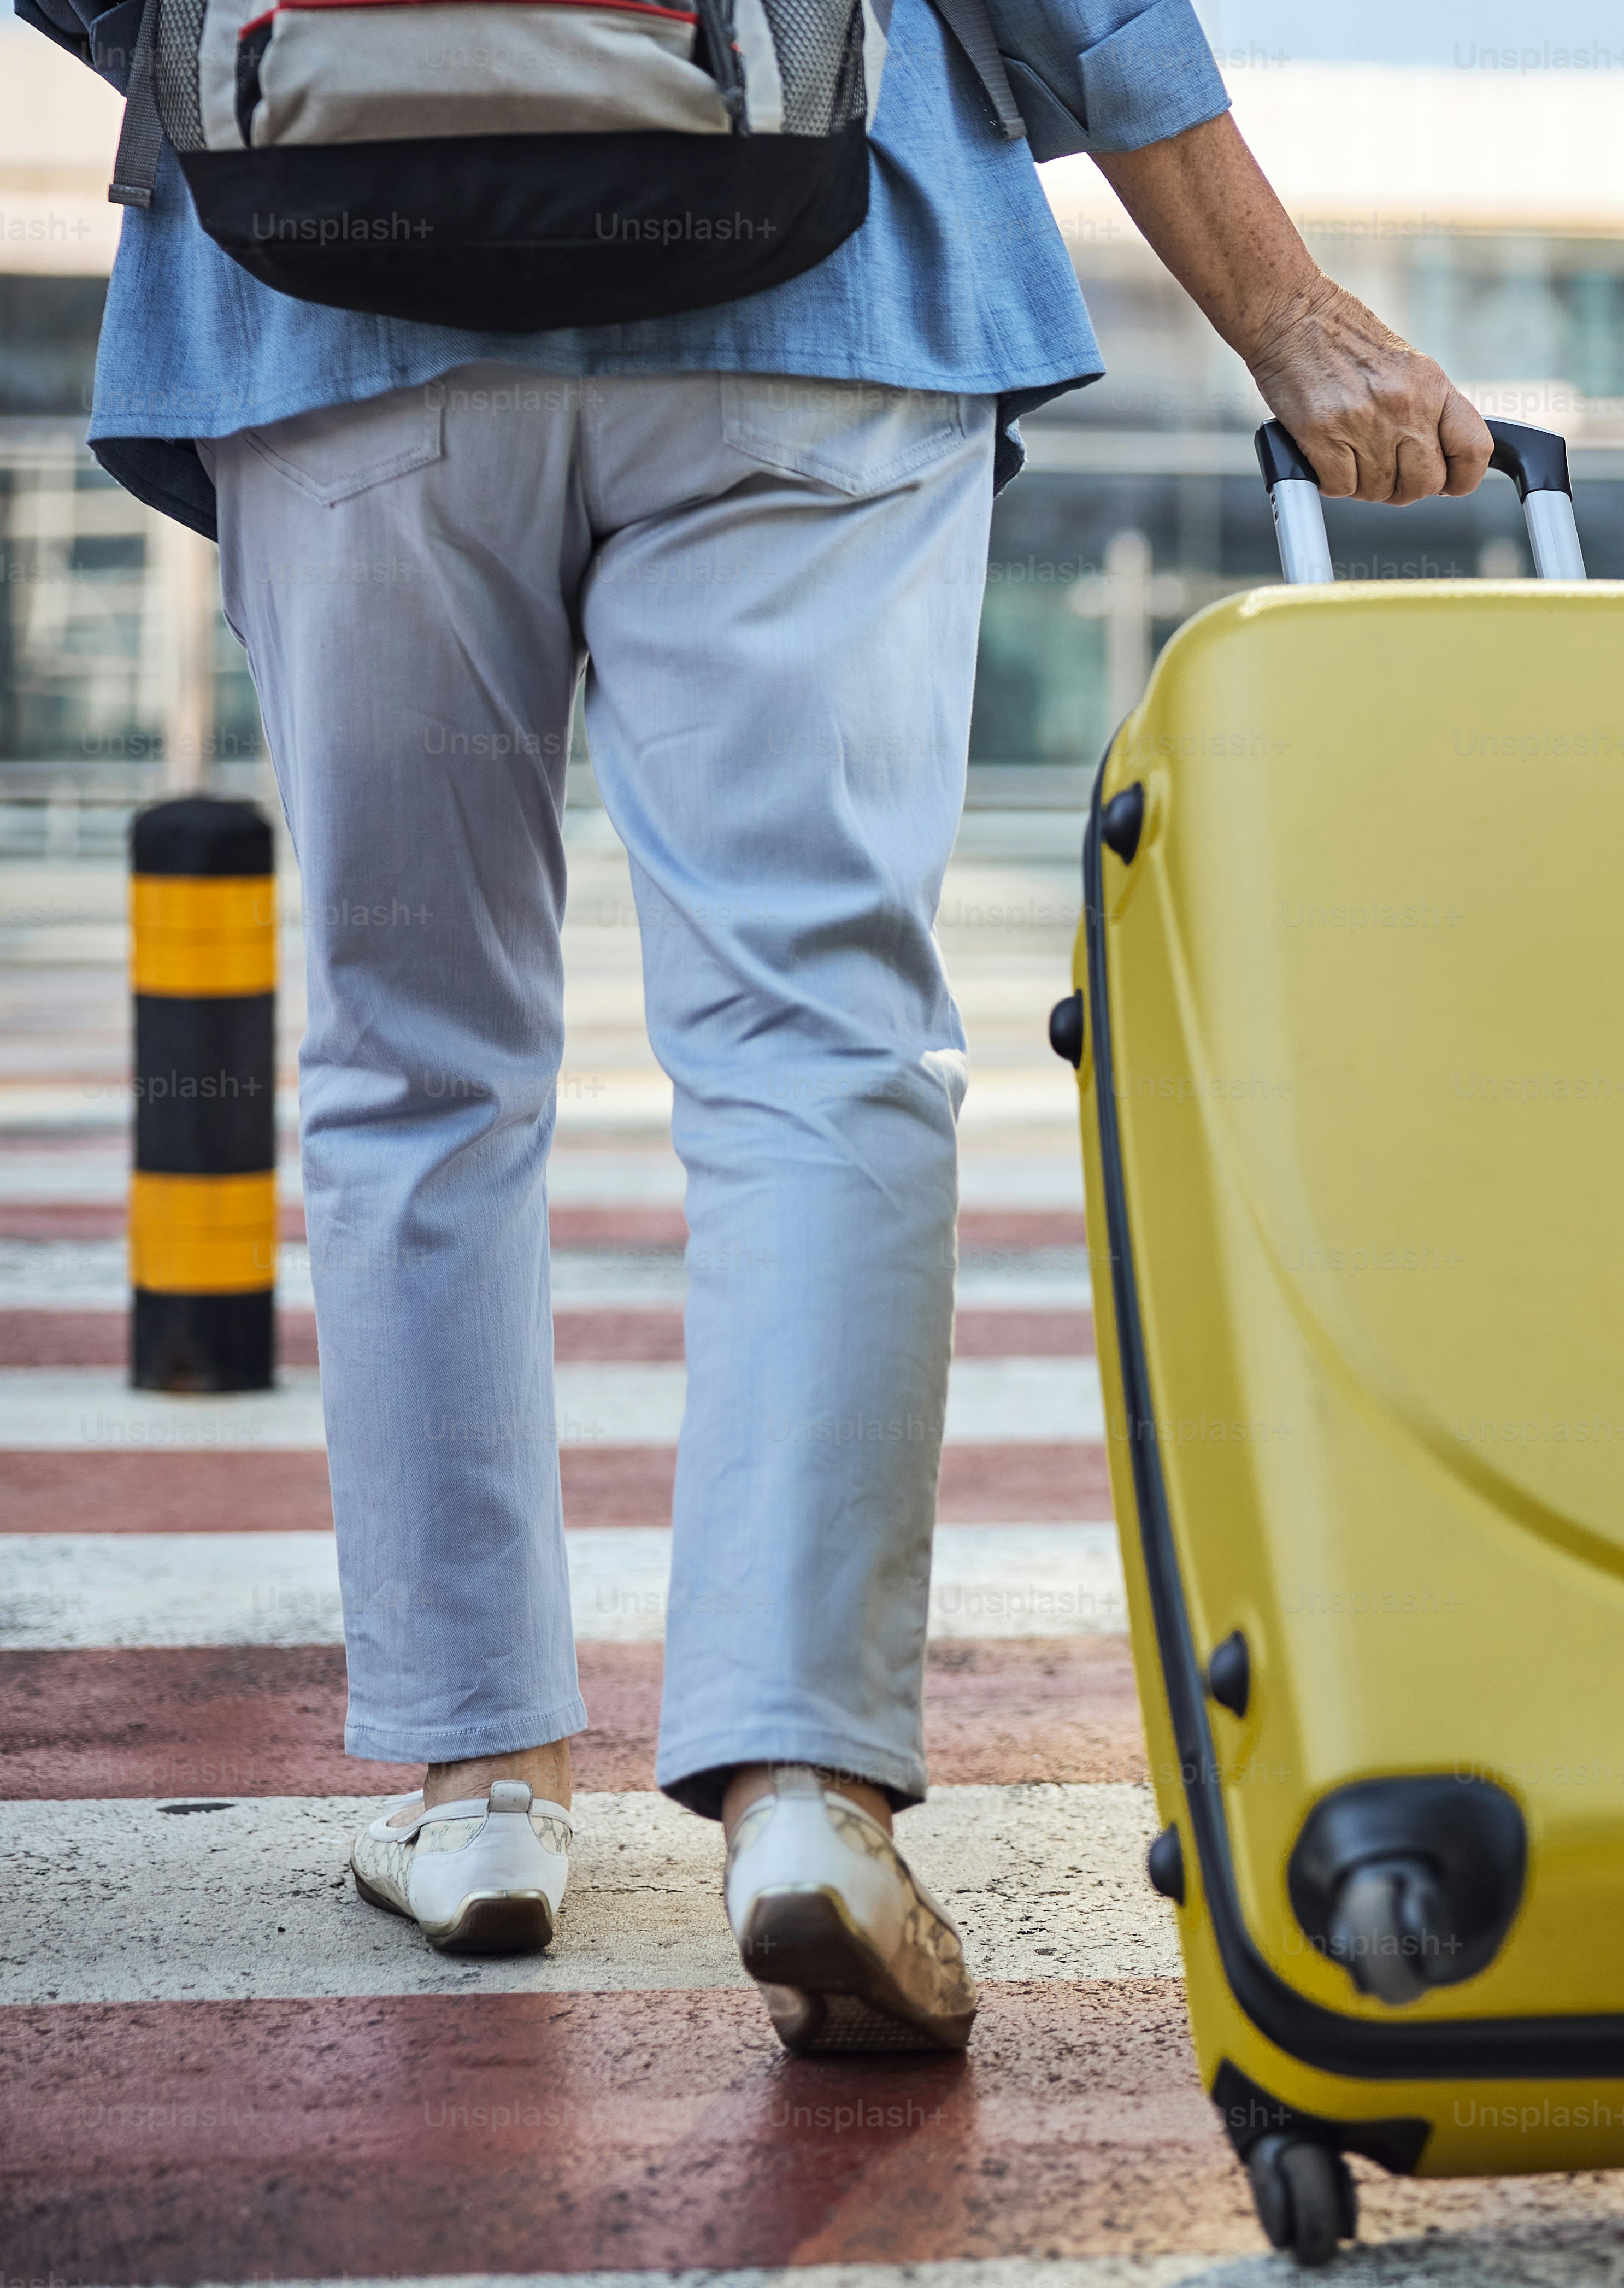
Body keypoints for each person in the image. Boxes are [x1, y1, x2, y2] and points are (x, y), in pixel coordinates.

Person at [20, 0, 1488, 2050]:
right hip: (828, 274)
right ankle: (806, 1788)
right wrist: (1288, 310)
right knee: (819, 1036)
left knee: (411, 1057)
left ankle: (480, 1789)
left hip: (324, 300)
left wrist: (342, 66)